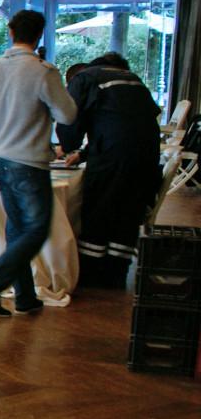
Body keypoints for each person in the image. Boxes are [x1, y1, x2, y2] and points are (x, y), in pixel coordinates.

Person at [0, 9, 78, 317]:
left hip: (2, 160)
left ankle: (25, 296)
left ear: (11, 32)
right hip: (30, 162)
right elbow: (67, 115)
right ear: (39, 35)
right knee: (36, 230)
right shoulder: (43, 71)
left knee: (17, 229)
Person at [57, 52, 163, 288]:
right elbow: (124, 124)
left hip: (112, 159)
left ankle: (92, 275)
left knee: (99, 211)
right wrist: (83, 154)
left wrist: (68, 145)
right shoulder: (133, 79)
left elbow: (69, 119)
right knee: (127, 214)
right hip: (148, 158)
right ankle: (116, 273)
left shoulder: (84, 78)